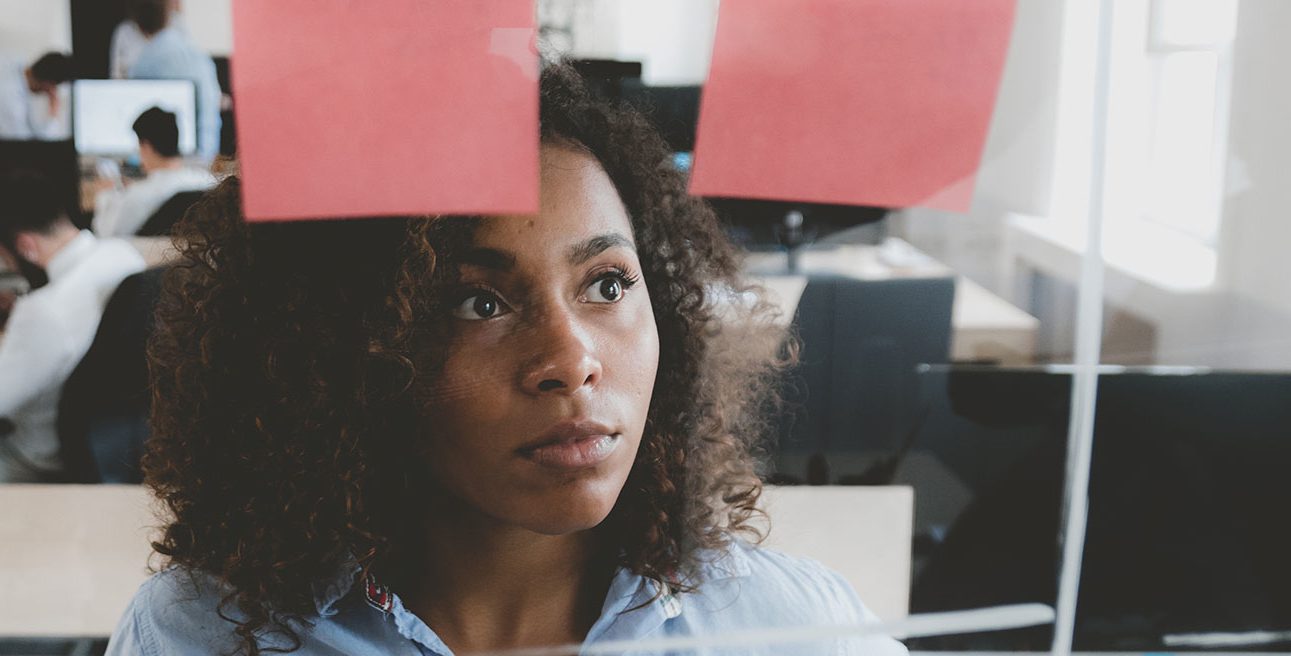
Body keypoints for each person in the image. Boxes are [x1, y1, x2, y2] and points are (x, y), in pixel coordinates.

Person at [104, 63, 907, 655]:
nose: (571, 360)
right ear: (345, 349)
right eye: (479, 303)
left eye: (606, 285)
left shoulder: (790, 631)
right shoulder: (199, 635)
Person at [0, 171, 145, 482]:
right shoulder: (123, 254)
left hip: (41, 455)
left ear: (25, 245)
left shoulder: (42, 312)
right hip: (116, 440)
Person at [91, 107, 216, 239]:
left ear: (146, 147)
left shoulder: (139, 195)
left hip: (151, 252)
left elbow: (105, 236)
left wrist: (105, 195)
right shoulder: (207, 181)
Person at [125, 0, 221, 160]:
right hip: (201, 158)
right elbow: (210, 111)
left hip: (163, 160)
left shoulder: (142, 64)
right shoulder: (196, 55)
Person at [0, 51, 74, 140]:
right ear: (48, 84)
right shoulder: (13, 105)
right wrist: (53, 112)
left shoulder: (14, 62)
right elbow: (27, 144)